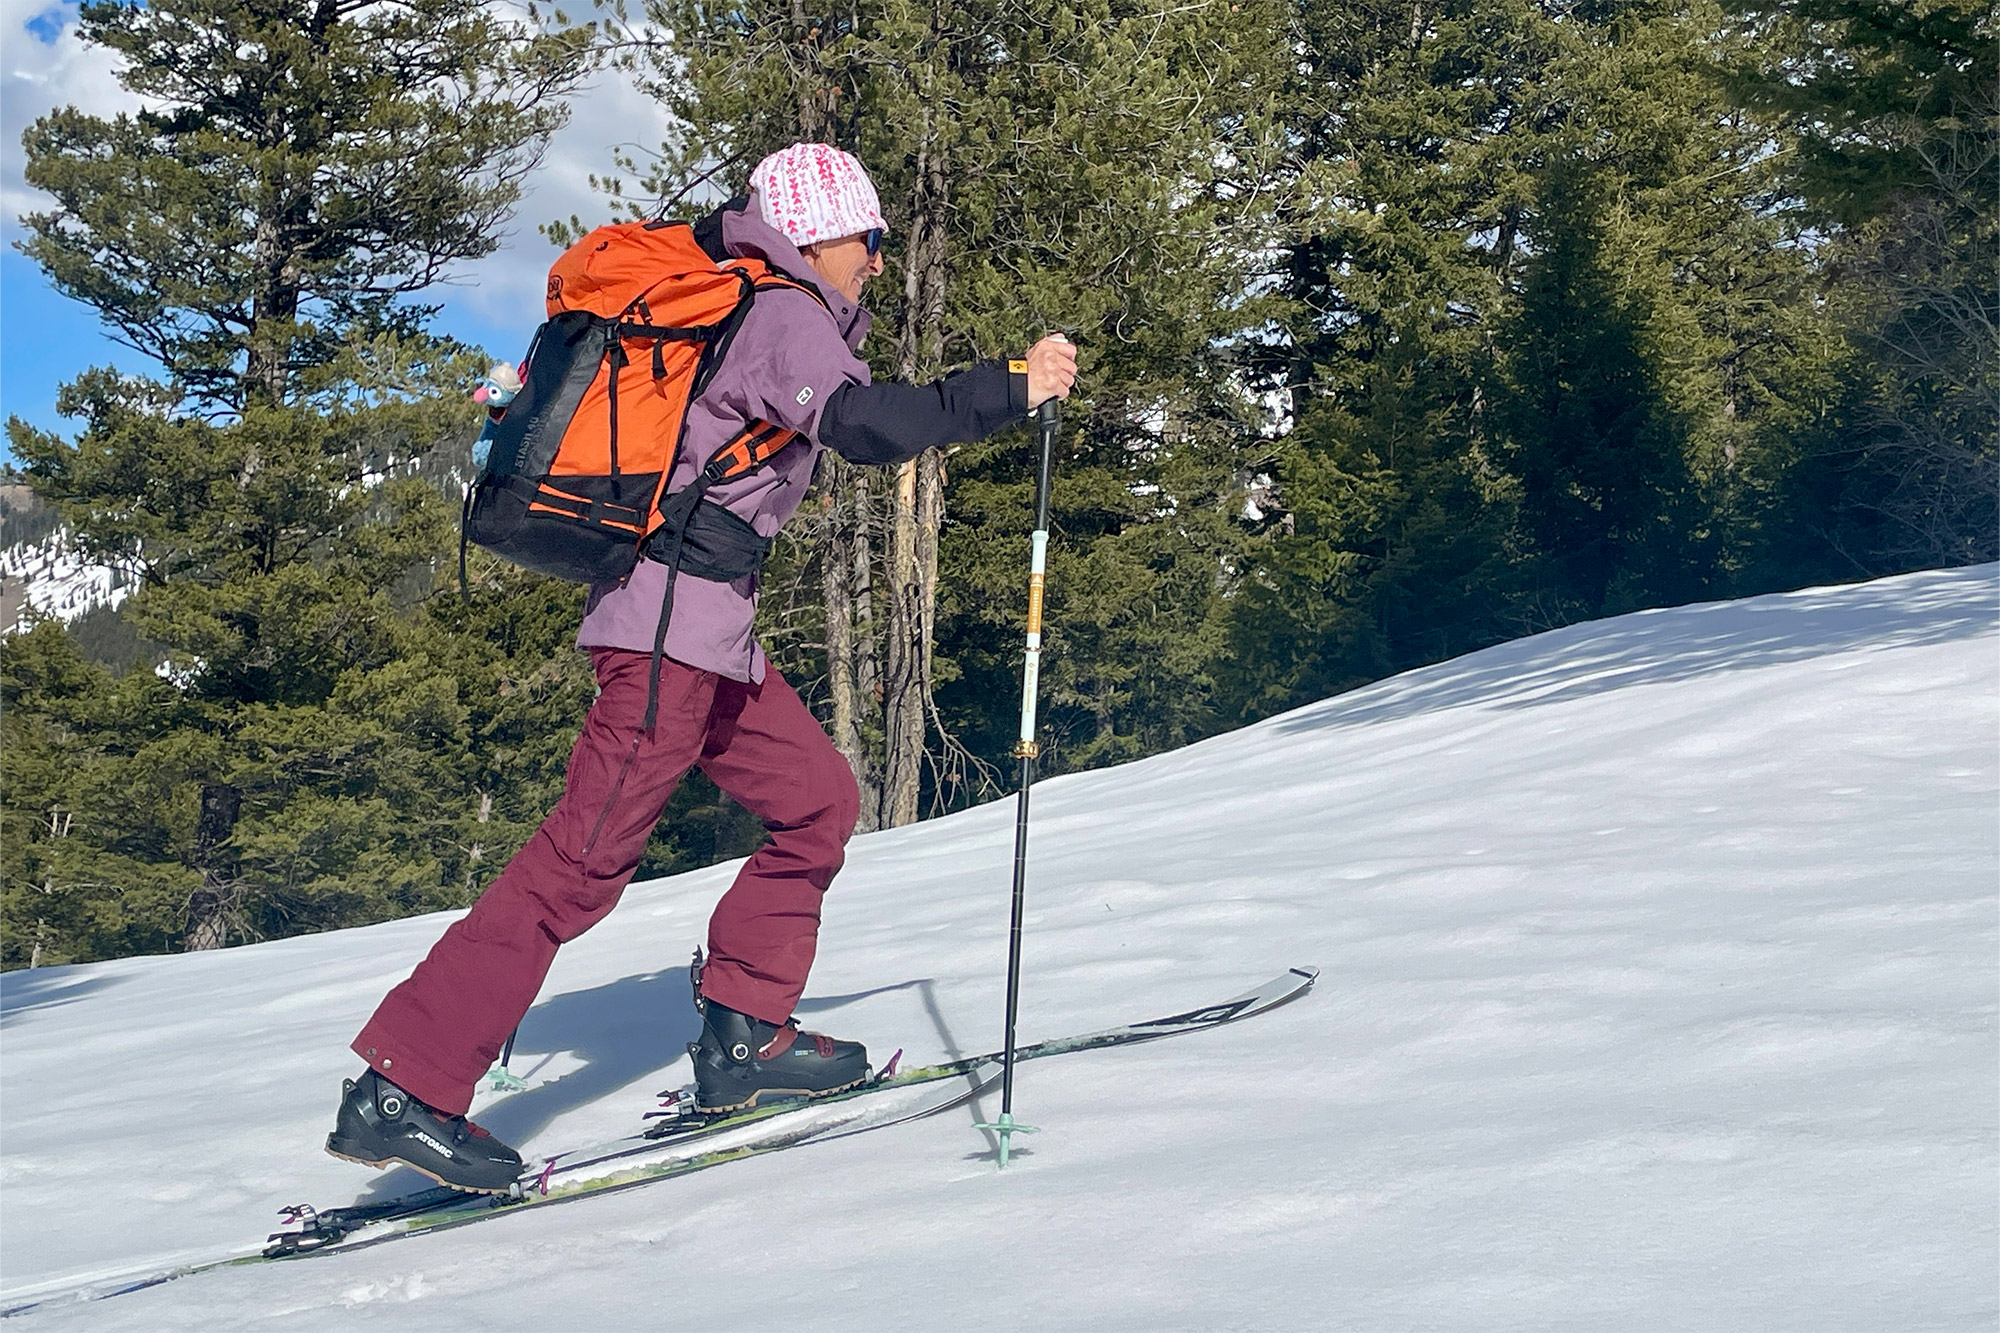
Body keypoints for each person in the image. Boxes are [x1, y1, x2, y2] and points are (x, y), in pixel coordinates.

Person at [324, 143, 1079, 1193]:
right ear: (820, 233)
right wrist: (1005, 387)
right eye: (867, 237)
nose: (874, 259)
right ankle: (405, 1084)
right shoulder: (778, 312)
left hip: (708, 630)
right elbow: (861, 426)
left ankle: (745, 1036)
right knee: (579, 866)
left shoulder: (772, 303)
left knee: (815, 801)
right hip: (665, 633)